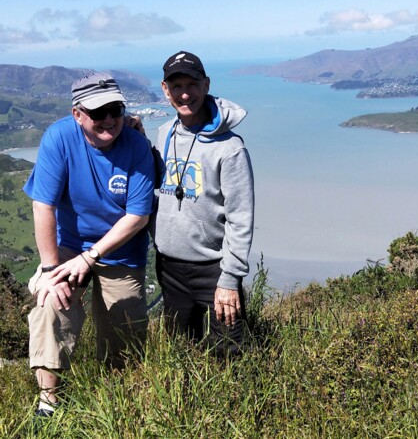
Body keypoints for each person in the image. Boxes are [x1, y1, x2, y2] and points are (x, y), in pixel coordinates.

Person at [24, 72, 156, 418]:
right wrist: (52, 270)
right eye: (98, 112)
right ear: (77, 113)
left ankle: (115, 394)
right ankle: (48, 402)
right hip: (69, 245)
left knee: (125, 329)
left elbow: (138, 216)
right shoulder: (59, 138)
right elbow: (43, 206)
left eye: (115, 109)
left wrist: (92, 256)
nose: (109, 119)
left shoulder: (137, 145)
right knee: (51, 304)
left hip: (121, 248)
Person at [153, 50, 255, 356]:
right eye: (176, 86)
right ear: (165, 89)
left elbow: (240, 217)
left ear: (206, 84)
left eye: (192, 84)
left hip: (213, 270)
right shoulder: (163, 134)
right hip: (169, 269)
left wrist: (230, 278)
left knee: (230, 354)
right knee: (180, 356)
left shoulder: (230, 148)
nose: (185, 94)